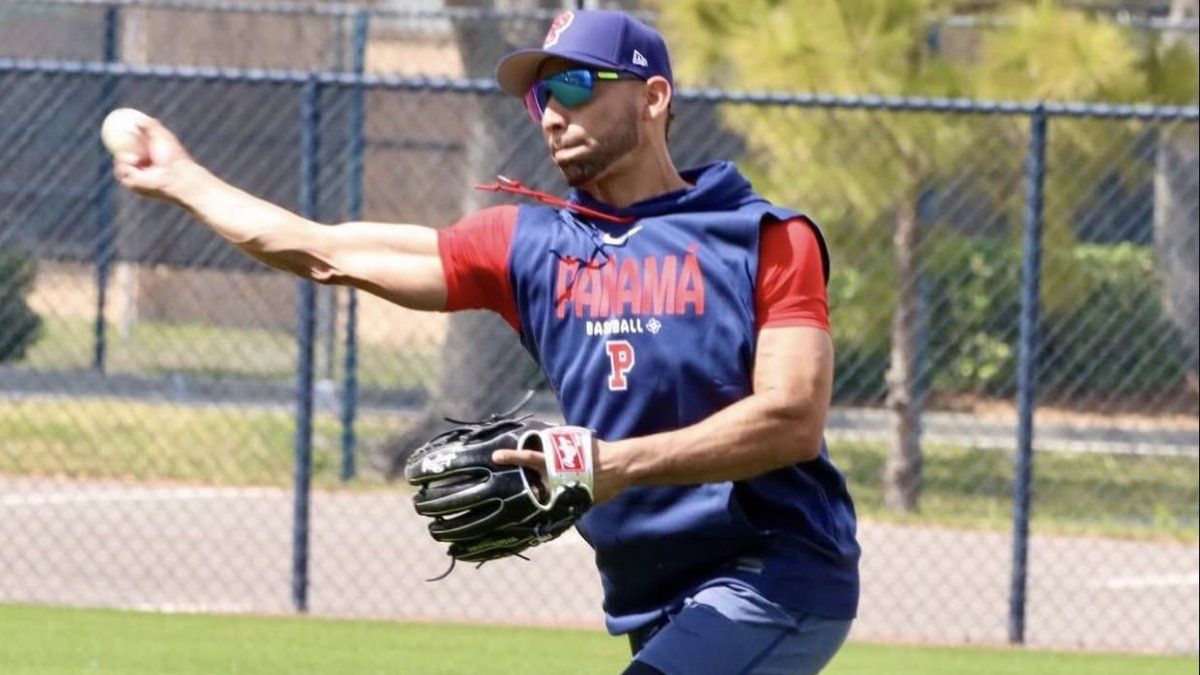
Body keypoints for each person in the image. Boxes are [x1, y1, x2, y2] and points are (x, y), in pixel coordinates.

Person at [112, 9, 860, 674]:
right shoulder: (531, 247)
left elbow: (791, 419)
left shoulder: (762, 238)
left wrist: (616, 463)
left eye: (574, 87)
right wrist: (182, 178)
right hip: (653, 589)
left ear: (653, 98)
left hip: (775, 572)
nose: (551, 114)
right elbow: (325, 250)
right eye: (540, 96)